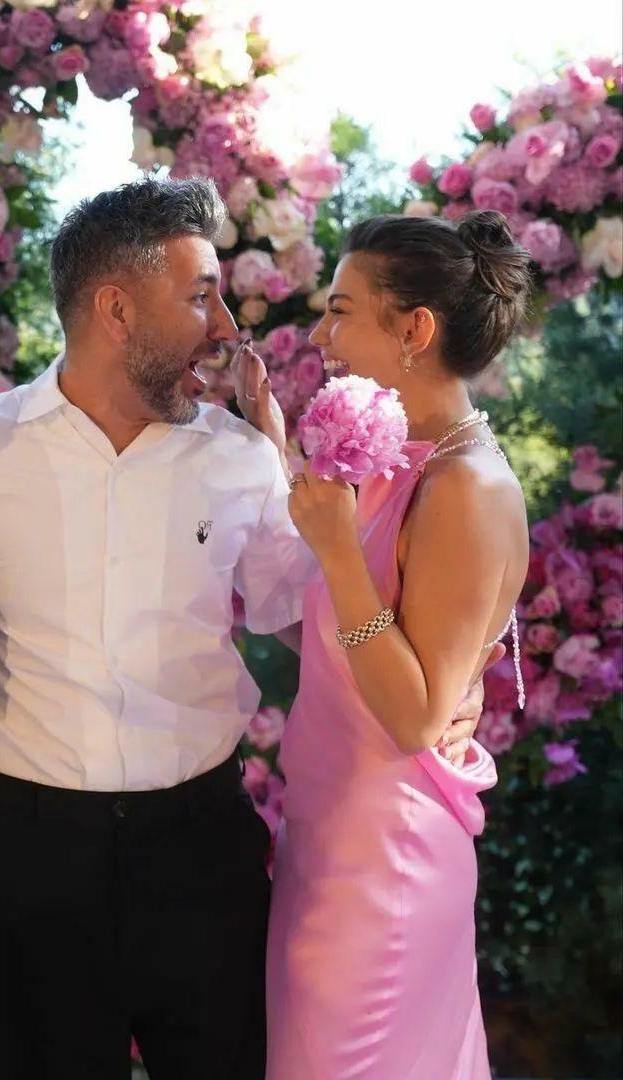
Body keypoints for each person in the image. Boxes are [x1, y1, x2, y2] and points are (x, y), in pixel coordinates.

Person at [0, 177, 485, 1079]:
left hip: (203, 851)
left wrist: (456, 668)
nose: (226, 326)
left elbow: (308, 614)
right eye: (201, 295)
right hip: (32, 859)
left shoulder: (241, 456)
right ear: (116, 309)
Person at [266, 210, 532, 1078]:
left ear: (414, 329)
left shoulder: (468, 486)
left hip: (386, 866)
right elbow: (345, 637)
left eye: (341, 311)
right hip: (328, 840)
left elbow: (416, 717)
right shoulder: (400, 463)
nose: (321, 336)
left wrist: (340, 555)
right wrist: (265, 437)